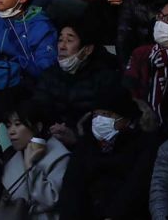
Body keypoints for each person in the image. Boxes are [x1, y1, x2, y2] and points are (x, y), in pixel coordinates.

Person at [58, 85, 158, 219]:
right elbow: (72, 187)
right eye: (96, 114)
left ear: (126, 119)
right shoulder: (86, 144)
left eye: (107, 114)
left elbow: (136, 189)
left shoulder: (144, 145)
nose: (100, 120)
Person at [0, 99, 72, 219]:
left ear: (38, 127)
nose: (11, 132)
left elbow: (51, 200)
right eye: (8, 126)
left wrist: (30, 166)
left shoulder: (59, 156)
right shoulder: (11, 155)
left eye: (18, 124)